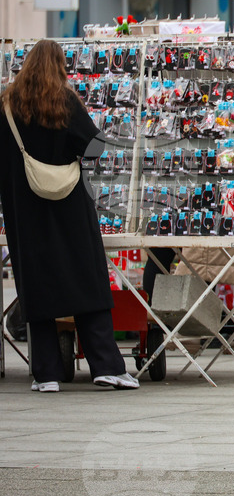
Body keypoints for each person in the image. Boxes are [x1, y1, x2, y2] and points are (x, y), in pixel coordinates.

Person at [0, 40, 139, 392]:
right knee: (86, 278)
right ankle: (105, 365)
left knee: (37, 283)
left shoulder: (6, 104)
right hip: (68, 204)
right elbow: (95, 145)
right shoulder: (66, 101)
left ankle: (46, 373)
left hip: (25, 208)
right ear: (60, 66)